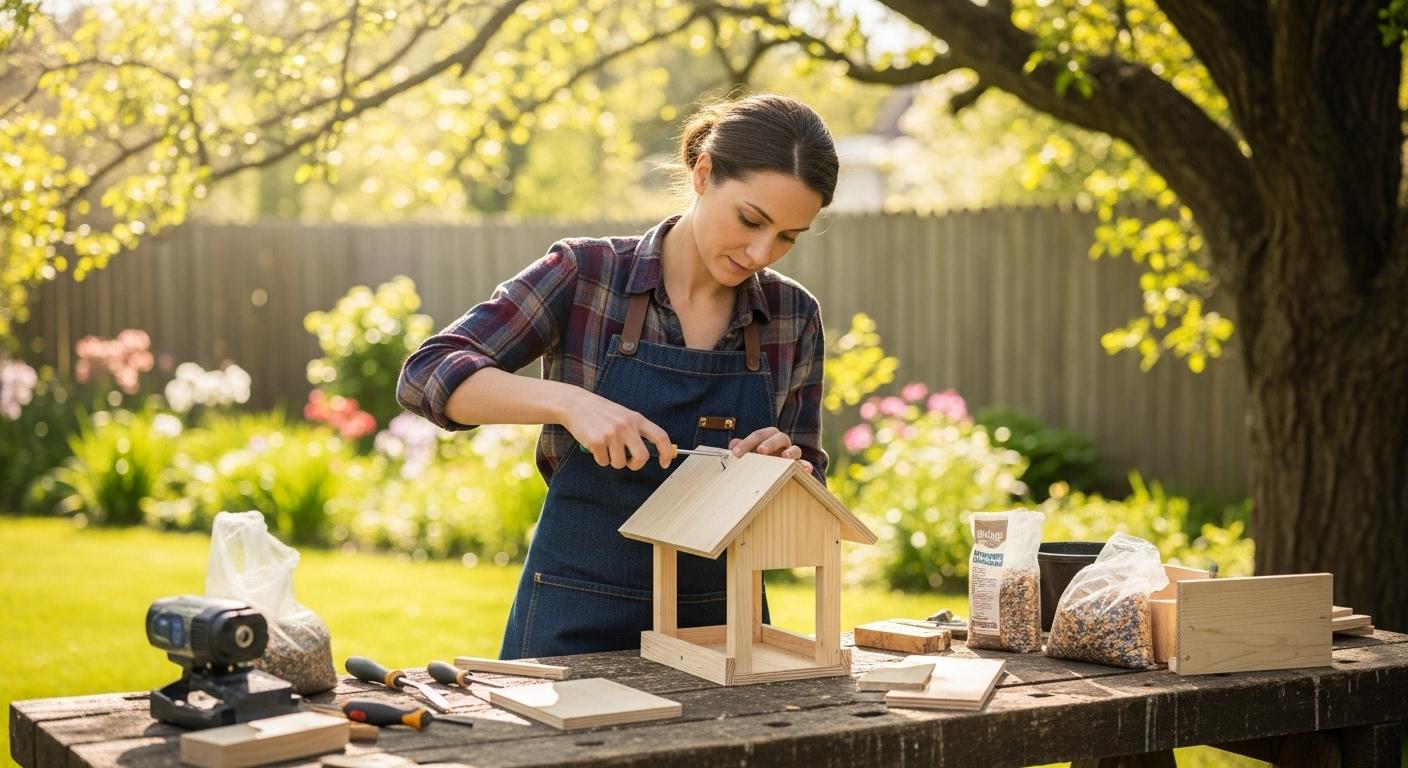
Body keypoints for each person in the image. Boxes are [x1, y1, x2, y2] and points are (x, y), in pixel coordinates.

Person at [396, 93, 839, 659]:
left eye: (786, 237)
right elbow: (427, 373)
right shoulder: (587, 275)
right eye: (751, 220)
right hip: (574, 612)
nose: (760, 252)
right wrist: (570, 403)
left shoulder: (793, 317)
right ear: (703, 174)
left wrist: (780, 472)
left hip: (723, 632)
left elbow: (810, 489)